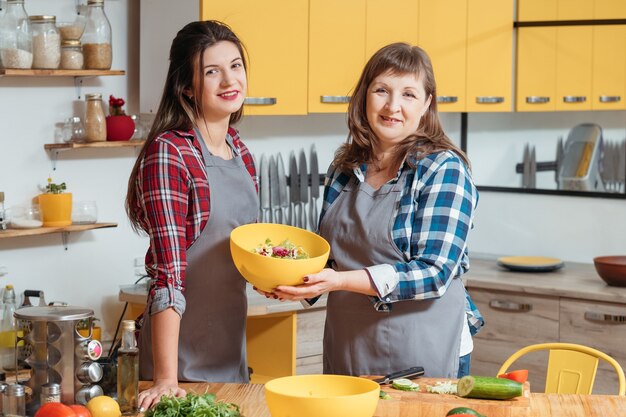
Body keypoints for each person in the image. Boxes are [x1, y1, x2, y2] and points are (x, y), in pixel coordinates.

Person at [273, 43, 483, 378]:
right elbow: (328, 258)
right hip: (350, 343)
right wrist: (284, 279)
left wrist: (338, 281)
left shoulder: (443, 169)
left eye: (409, 94)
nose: (392, 106)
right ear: (364, 96)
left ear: (427, 103)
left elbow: (435, 272)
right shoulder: (344, 168)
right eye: (381, 90)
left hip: (423, 344)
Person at [125, 21, 258, 410]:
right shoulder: (169, 153)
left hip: (231, 355)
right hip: (180, 363)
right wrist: (166, 378)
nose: (229, 80)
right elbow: (168, 272)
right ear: (186, 86)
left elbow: (242, 250)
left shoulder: (240, 151)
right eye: (211, 71)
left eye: (235, 66)